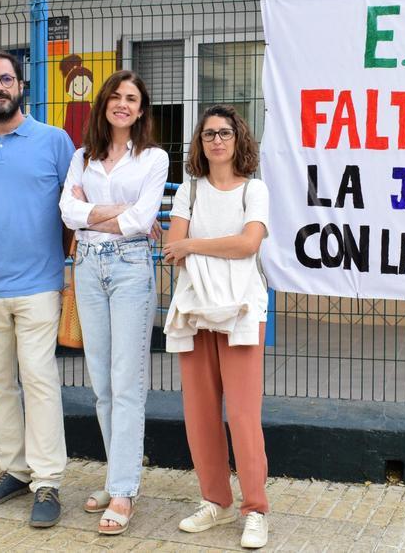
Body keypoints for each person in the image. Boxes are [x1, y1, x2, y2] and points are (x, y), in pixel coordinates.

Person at [0, 51, 76, 528]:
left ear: (21, 85)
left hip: (40, 285)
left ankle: (47, 481)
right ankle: (15, 470)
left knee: (40, 380)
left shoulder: (54, 140)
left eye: (6, 79)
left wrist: (59, 262)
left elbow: (72, 209)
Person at [59, 70, 168, 536]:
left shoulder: (154, 158)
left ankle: (123, 489)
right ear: (104, 104)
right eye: (116, 96)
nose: (123, 104)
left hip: (129, 269)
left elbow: (144, 220)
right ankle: (115, 476)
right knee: (101, 382)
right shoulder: (82, 157)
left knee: (127, 382)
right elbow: (67, 212)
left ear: (141, 110)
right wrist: (115, 215)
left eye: (132, 99)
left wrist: (93, 214)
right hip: (87, 267)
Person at [162, 105, 271, 549]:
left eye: (225, 133)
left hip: (243, 310)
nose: (217, 140)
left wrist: (194, 244)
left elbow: (249, 244)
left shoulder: (255, 190)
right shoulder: (189, 190)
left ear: (238, 139)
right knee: (200, 414)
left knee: (244, 415)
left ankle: (256, 509)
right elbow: (173, 247)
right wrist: (190, 245)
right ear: (199, 143)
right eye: (208, 134)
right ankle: (216, 501)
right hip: (195, 310)